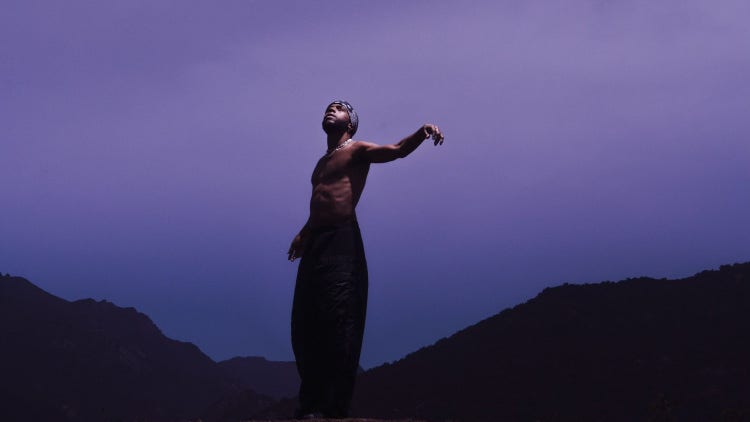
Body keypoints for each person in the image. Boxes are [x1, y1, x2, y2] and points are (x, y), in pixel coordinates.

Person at [287, 100, 444, 419]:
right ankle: (310, 403)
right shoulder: (321, 163)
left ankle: (333, 407)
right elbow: (321, 203)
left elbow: (396, 150)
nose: (330, 110)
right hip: (316, 243)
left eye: (339, 108)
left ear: (350, 123)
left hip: (342, 241)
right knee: (304, 321)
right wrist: (304, 233)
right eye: (328, 107)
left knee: (340, 319)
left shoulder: (357, 150)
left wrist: (421, 132)